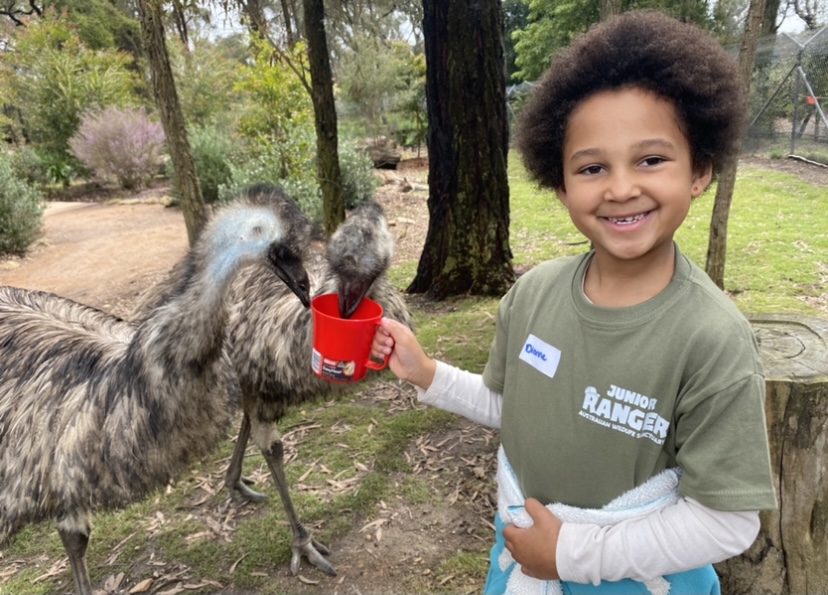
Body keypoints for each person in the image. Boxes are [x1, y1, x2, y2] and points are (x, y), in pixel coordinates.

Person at [372, 9, 777, 595]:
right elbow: (518, 410)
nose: (620, 187)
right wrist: (427, 374)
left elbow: (729, 521)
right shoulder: (532, 295)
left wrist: (571, 554)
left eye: (651, 159)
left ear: (700, 170)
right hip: (524, 567)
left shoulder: (712, 338)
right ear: (560, 185)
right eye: (592, 167)